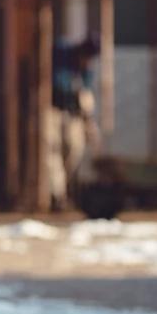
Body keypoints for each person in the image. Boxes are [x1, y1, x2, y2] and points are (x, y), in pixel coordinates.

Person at [48, 34, 100, 211]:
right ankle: (58, 195)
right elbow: (56, 82)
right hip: (53, 108)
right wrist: (72, 87)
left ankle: (61, 188)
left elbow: (85, 93)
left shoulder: (86, 68)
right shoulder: (61, 53)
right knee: (52, 151)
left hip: (72, 113)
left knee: (74, 148)